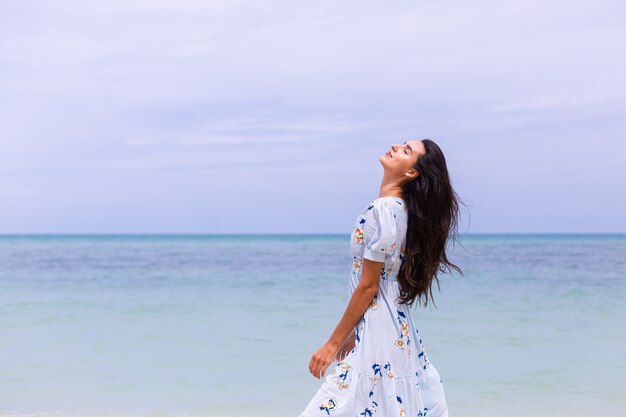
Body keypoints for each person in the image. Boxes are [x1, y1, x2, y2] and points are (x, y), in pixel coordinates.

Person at [299, 139, 464, 417]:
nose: (396, 147)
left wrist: (332, 344)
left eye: (406, 150)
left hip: (380, 333)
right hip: (394, 330)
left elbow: (368, 285)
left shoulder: (383, 210)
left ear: (412, 173)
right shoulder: (402, 212)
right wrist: (354, 332)